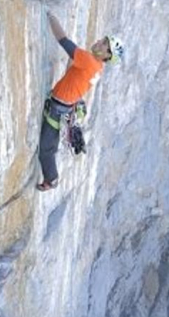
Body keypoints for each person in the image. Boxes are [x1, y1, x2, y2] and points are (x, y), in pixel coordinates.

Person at [36, 10, 125, 191]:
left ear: (107, 56)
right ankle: (51, 178)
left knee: (46, 149)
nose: (99, 43)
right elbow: (73, 65)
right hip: (64, 107)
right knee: (49, 146)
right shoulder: (97, 66)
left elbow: (63, 41)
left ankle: (51, 179)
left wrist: (51, 17)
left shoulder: (89, 61)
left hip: (58, 108)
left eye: (104, 45)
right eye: (102, 40)